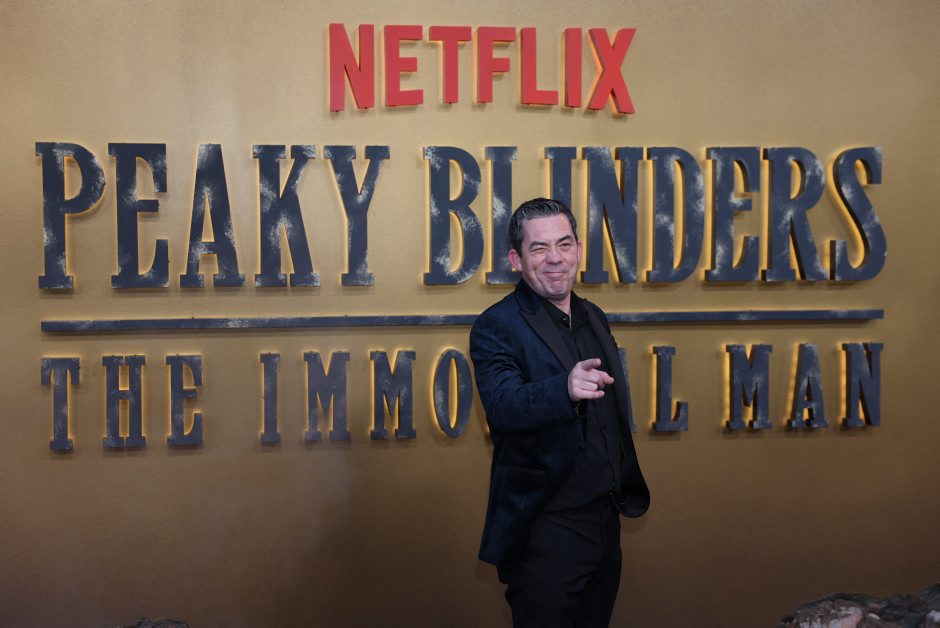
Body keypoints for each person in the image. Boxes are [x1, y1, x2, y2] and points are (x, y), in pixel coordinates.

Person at [469, 197, 650, 627]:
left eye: (564, 244)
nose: (555, 258)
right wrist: (563, 389)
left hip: (605, 521)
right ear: (516, 260)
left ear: (579, 250)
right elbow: (503, 405)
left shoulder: (593, 316)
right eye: (539, 248)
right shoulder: (497, 325)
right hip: (545, 528)